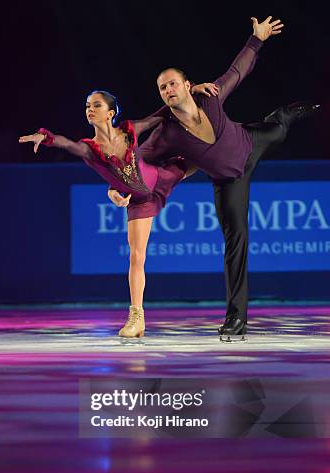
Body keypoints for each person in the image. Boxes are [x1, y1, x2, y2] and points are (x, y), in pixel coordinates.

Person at [108, 16, 319, 342]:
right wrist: (118, 188)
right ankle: (237, 320)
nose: (167, 90)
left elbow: (238, 71)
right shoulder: (166, 134)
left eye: (172, 83)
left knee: (279, 125)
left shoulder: (211, 96)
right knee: (236, 245)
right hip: (228, 181)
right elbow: (136, 161)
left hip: (252, 141)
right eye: (162, 87)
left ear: (187, 85)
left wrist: (257, 38)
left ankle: (285, 114)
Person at [18, 83, 217, 338]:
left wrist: (191, 91)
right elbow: (67, 144)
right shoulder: (89, 148)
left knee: (202, 151)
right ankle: (137, 317)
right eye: (88, 106)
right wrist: (46, 138)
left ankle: (240, 150)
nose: (90, 110)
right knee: (137, 257)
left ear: (111, 113)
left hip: (160, 176)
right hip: (140, 201)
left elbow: (159, 115)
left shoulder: (130, 130)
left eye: (97, 105)